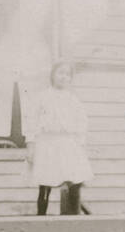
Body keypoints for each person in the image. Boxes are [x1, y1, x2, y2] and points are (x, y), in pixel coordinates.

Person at [25, 60, 93, 216]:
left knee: (75, 180)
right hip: (47, 143)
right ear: (52, 75)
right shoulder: (42, 97)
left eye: (67, 74)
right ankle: (41, 217)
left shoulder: (73, 99)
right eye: (60, 73)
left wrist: (80, 143)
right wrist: (31, 145)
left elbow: (81, 122)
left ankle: (75, 218)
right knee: (45, 182)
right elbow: (31, 122)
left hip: (68, 143)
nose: (64, 77)